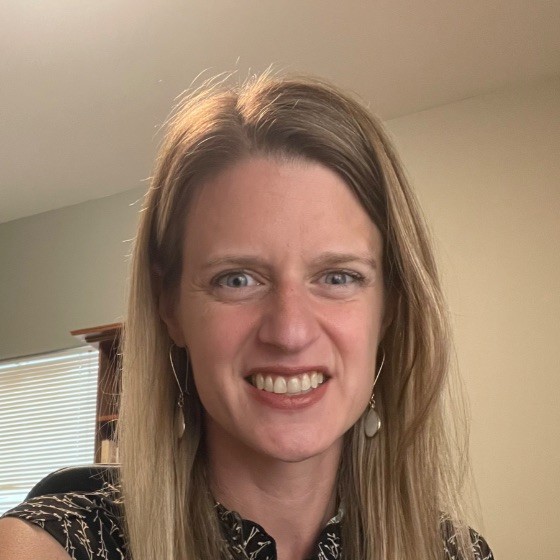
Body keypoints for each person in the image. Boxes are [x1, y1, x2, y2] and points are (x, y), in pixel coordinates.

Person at [0, 72, 494, 560]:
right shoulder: (49, 546)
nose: (290, 331)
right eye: (236, 279)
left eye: (338, 277)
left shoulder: (457, 553)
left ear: (391, 306)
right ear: (169, 306)